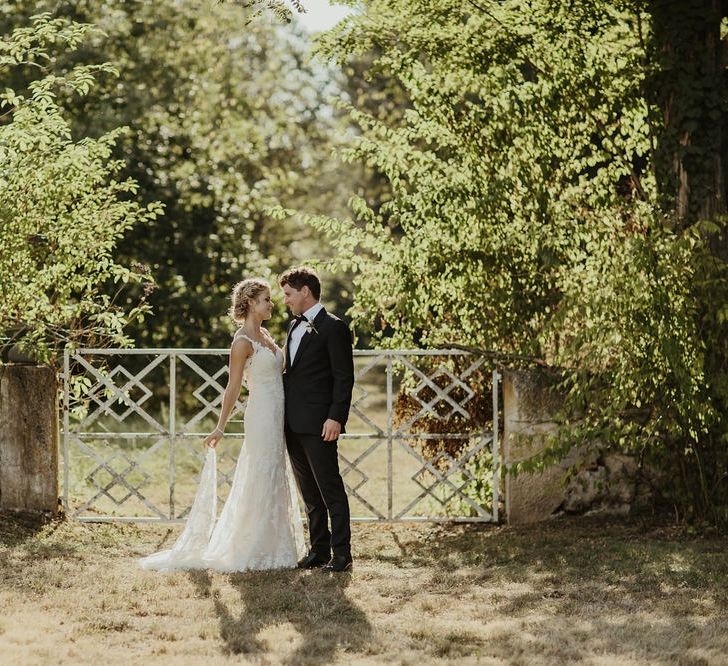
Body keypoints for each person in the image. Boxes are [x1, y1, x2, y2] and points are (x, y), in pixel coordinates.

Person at [138, 278, 305, 572]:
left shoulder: (265, 334)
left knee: (275, 471)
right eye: (266, 299)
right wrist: (220, 426)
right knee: (260, 472)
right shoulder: (242, 342)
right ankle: (252, 545)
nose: (271, 304)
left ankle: (275, 544)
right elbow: (233, 387)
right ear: (252, 302)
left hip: (280, 413)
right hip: (262, 415)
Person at [279, 266, 355, 573]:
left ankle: (343, 554)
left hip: (320, 423)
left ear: (304, 291)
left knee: (329, 489)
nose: (284, 300)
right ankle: (319, 551)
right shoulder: (294, 326)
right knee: (309, 492)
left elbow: (343, 377)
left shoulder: (334, 327)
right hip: (292, 422)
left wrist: (335, 417)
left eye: (288, 294)